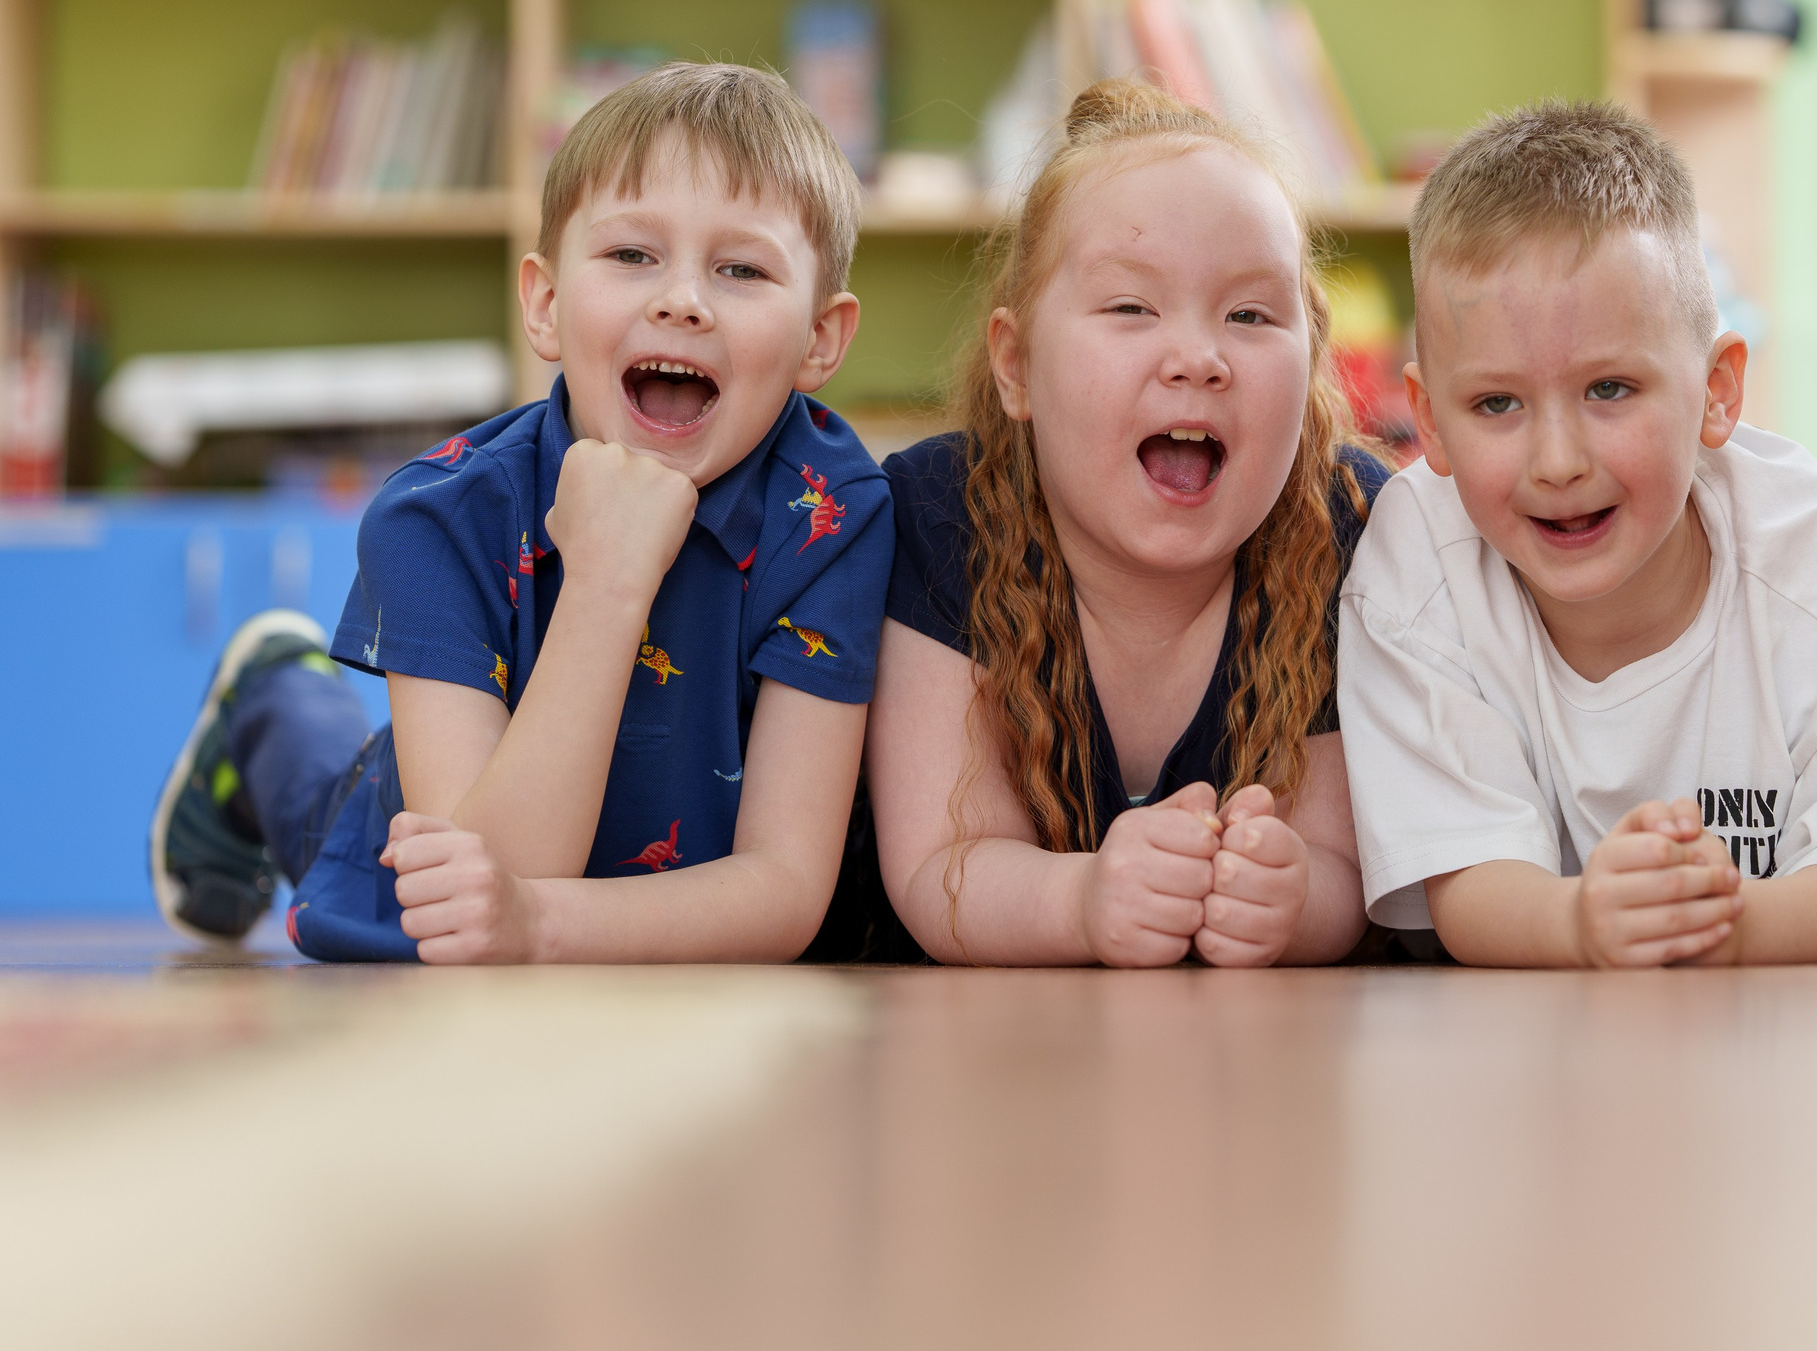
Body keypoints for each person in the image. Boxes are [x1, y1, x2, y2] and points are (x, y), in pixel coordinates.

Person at [147, 62, 890, 963]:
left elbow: (783, 885)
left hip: (635, 935)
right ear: (542, 303)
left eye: (741, 268)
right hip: (428, 882)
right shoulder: (437, 514)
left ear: (821, 337)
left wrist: (542, 923)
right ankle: (268, 697)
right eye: (630, 254)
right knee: (318, 796)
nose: (682, 299)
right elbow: (486, 884)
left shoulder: (837, 514)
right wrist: (610, 578)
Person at [1338, 101, 1817, 968]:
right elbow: (1468, 878)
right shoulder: (1414, 564)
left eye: (1609, 390)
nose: (1559, 461)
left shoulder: (1805, 549)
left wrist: (1719, 927)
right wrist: (1581, 925)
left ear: (1718, 390)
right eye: (1497, 403)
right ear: (1431, 422)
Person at [862, 80, 1385, 967]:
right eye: (1132, 308)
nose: (1198, 359)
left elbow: (1344, 868)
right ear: (1016, 364)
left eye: (1251, 315)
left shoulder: (1348, 525)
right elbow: (940, 867)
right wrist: (1084, 899)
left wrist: (1291, 900)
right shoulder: (937, 512)